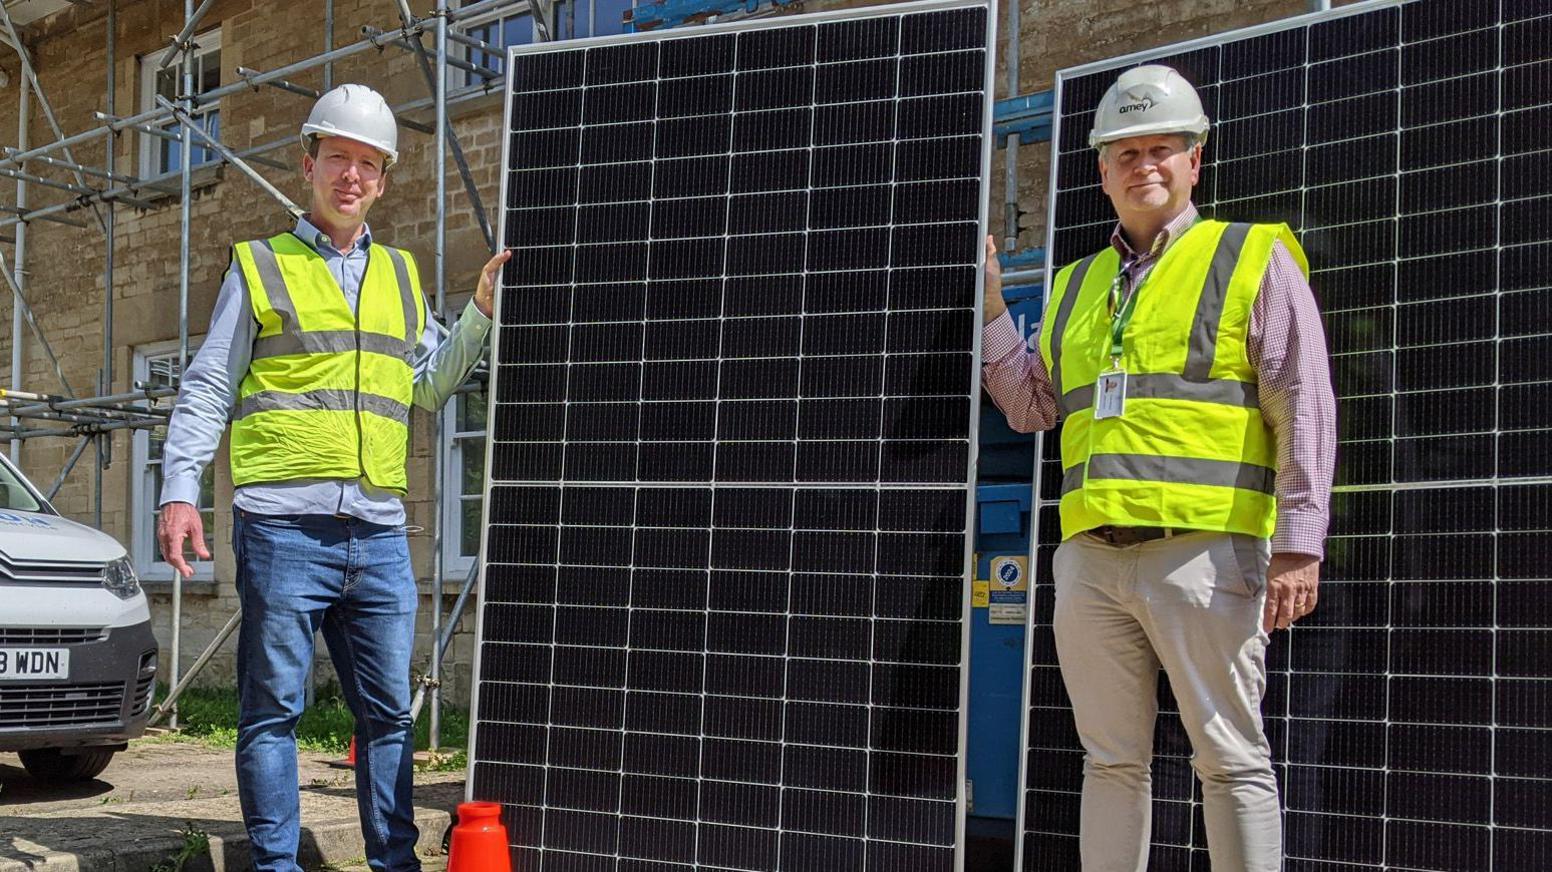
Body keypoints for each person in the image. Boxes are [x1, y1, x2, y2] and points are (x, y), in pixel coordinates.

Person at [982, 65, 1335, 871]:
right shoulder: (1074, 285)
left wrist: (1299, 543)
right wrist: (997, 308)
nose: (1145, 165)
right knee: (1109, 762)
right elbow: (1033, 407)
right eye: (1126, 152)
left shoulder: (1248, 257)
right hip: (1091, 563)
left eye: (1162, 149)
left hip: (1206, 554)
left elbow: (1302, 403)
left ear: (1194, 160)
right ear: (1102, 170)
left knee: (1231, 759)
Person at [156, 83, 510, 872]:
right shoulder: (258, 266)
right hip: (283, 529)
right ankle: (277, 867)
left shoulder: (400, 275)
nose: (352, 175)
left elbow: (425, 384)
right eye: (339, 158)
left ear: (383, 180)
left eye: (368, 164)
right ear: (309, 163)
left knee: (389, 717)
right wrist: (180, 488)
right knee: (271, 713)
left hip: (380, 534)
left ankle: (394, 863)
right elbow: (210, 384)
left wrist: (480, 313)